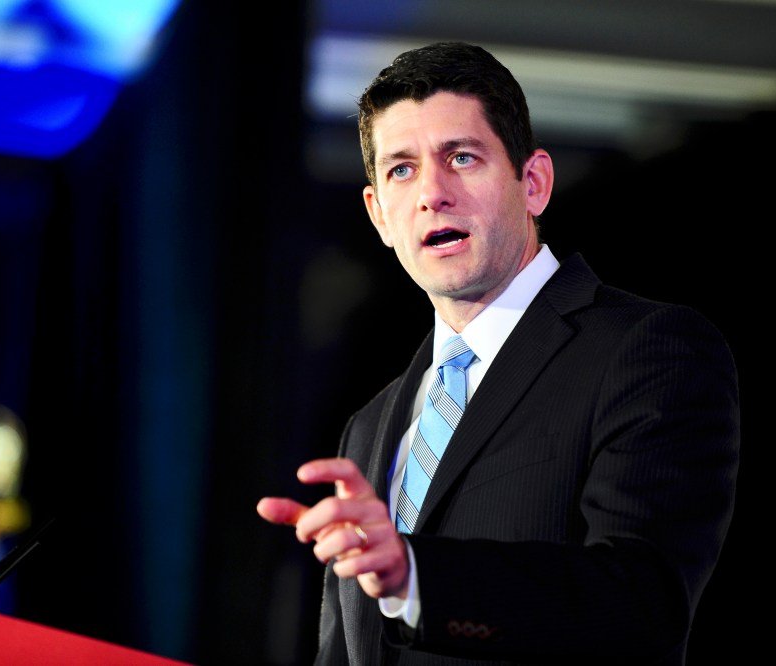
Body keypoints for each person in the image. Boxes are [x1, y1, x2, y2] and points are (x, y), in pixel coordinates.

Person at [256, 41, 739, 665]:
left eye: (461, 157)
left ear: (533, 184)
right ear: (379, 216)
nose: (432, 193)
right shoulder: (371, 425)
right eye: (402, 169)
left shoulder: (646, 350)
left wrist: (417, 577)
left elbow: (642, 603)